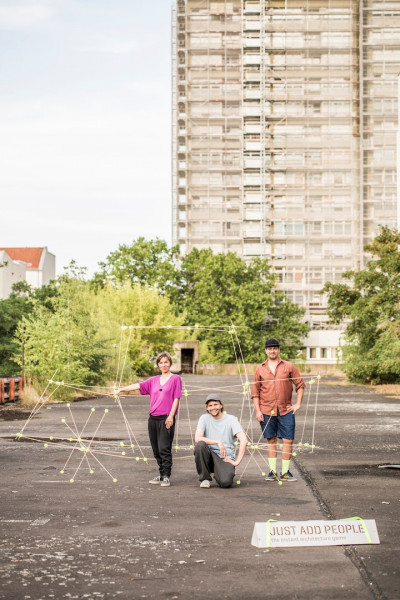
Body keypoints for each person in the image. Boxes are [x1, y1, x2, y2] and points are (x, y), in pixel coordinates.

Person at [115, 351, 181, 488]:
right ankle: (161, 474)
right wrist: (120, 390)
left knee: (164, 448)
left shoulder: (175, 379)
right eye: (161, 363)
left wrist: (171, 416)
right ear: (158, 365)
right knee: (156, 449)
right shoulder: (153, 380)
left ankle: (167, 476)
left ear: (170, 363)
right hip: (153, 419)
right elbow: (137, 386)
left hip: (166, 418)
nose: (163, 365)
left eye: (166, 362)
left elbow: (176, 398)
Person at [251, 338, 305, 482]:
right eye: (269, 349)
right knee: (271, 440)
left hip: (286, 410)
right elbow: (255, 392)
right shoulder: (260, 368)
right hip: (266, 410)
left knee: (288, 440)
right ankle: (273, 472)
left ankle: (286, 472)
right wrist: (258, 411)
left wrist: (298, 404)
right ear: (266, 351)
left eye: (275, 348)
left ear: (279, 350)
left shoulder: (289, 366)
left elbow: (300, 385)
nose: (272, 351)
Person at [194, 393, 248, 488]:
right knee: (200, 445)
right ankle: (205, 479)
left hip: (225, 457)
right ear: (207, 408)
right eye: (210, 406)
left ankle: (220, 473)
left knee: (225, 483)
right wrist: (217, 442)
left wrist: (237, 462)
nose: (213, 408)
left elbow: (244, 440)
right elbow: (197, 438)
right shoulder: (204, 418)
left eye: (215, 404)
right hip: (209, 455)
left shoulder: (231, 419)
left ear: (221, 406)